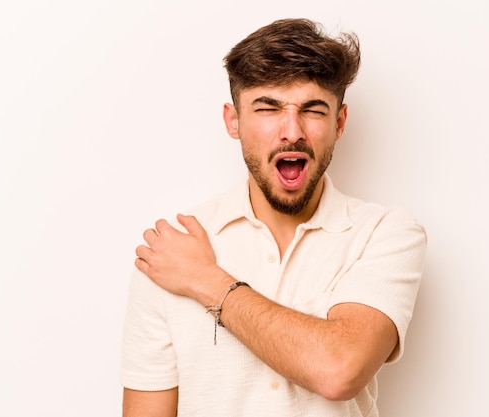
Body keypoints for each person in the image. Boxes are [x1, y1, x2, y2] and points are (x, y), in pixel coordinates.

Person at [121, 18, 426, 417]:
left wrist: (205, 280)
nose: (292, 131)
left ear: (339, 122)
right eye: (268, 107)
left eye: (313, 110)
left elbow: (339, 371)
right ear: (233, 120)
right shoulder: (170, 252)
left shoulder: (385, 234)